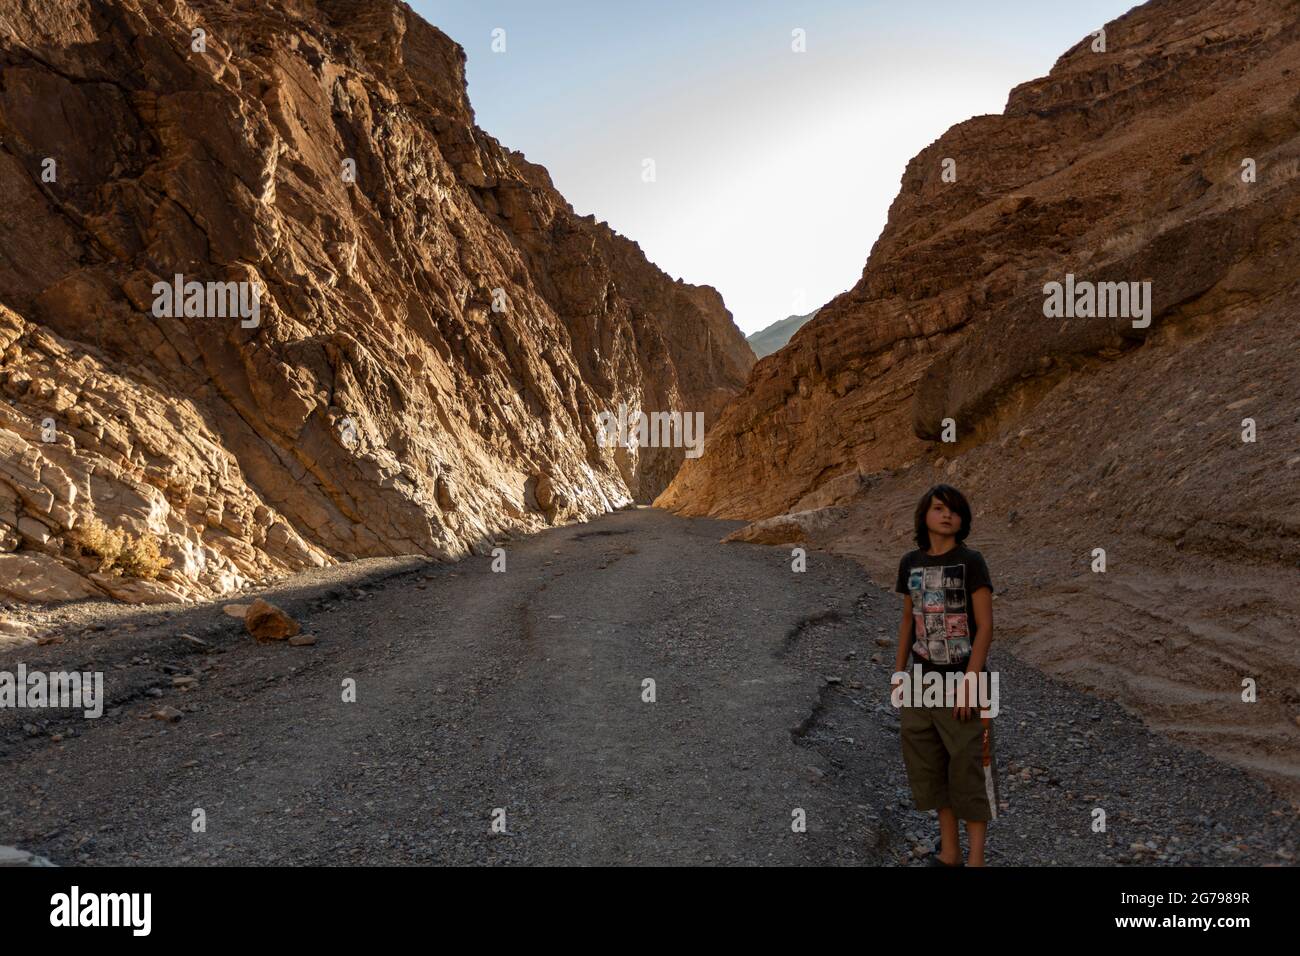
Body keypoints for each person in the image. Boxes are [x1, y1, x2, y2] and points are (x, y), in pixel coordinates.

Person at [892, 483, 999, 866]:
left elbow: (985, 627)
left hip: (964, 681)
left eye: (954, 509)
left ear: (962, 519)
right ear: (925, 515)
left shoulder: (972, 562)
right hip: (922, 682)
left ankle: (976, 861)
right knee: (931, 766)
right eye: (938, 508)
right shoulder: (910, 563)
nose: (947, 514)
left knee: (970, 767)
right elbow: (908, 620)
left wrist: (970, 683)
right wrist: (898, 672)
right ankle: (950, 853)